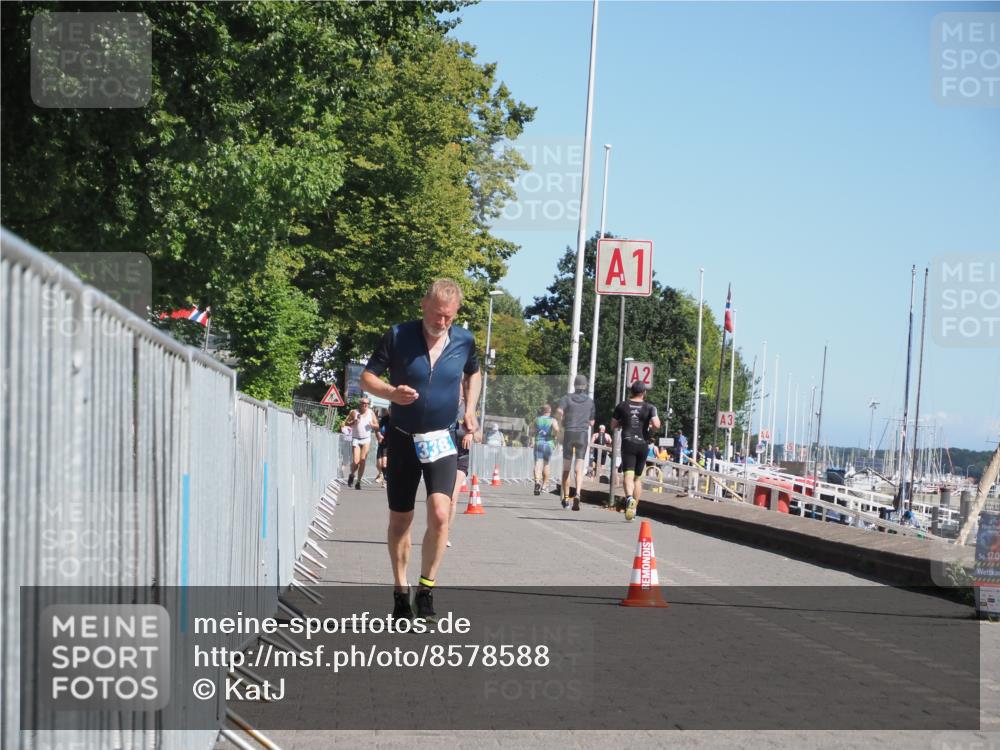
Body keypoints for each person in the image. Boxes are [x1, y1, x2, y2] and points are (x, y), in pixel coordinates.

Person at [360, 279, 481, 622]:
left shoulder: (464, 340)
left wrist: (470, 409)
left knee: (441, 513)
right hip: (401, 437)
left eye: (449, 317)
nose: (442, 322)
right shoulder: (398, 335)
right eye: (438, 315)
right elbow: (367, 377)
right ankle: (401, 592)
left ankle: (426, 589)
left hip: (442, 438)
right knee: (401, 519)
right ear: (423, 305)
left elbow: (474, 374)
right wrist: (389, 392)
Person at [611, 381, 661, 521]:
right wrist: (649, 424)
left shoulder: (622, 405)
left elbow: (613, 425)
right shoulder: (650, 407)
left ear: (631, 392)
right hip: (643, 444)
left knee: (628, 475)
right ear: (644, 393)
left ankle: (629, 499)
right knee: (638, 478)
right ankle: (633, 510)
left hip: (628, 442)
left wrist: (623, 422)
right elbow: (657, 425)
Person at [556, 374, 595, 510]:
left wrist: (561, 423)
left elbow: (559, 412)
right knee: (579, 468)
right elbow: (591, 422)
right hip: (582, 436)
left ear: (574, 384)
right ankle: (577, 493)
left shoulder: (566, 398)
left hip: (569, 434)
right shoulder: (590, 402)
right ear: (585, 386)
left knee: (566, 469)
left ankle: (566, 498)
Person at [448, 403, 481, 548]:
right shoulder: (444, 405)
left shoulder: (468, 410)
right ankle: (436, 530)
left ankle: (445, 534)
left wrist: (471, 433)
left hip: (460, 458)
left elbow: (480, 436)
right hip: (443, 456)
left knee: (452, 498)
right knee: (439, 498)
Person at [345, 396, 379, 490]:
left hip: (366, 439)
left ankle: (358, 481)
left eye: (367, 404)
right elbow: (346, 423)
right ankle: (352, 475)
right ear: (360, 404)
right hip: (356, 438)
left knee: (363, 460)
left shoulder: (371, 413)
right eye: (363, 403)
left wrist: (373, 425)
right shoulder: (354, 412)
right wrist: (353, 421)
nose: (365, 405)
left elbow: (377, 426)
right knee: (356, 461)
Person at [532, 404, 559, 495]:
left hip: (538, 443)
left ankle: (537, 482)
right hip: (548, 444)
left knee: (537, 464)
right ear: (549, 411)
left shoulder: (536, 419)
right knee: (546, 464)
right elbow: (556, 429)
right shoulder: (552, 420)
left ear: (542, 411)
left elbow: (532, 431)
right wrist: (554, 436)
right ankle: (544, 486)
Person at [374, 411, 390, 486]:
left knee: (384, 464)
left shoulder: (397, 419)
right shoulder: (384, 418)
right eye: (390, 410)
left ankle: (386, 480)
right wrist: (379, 435)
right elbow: (377, 429)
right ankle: (381, 474)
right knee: (379, 464)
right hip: (381, 443)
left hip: (389, 444)